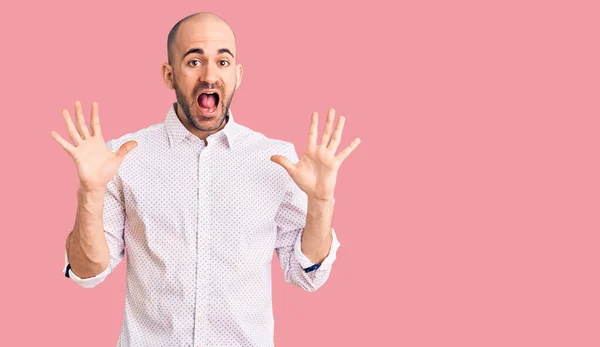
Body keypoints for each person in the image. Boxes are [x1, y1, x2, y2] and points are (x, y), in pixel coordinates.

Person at [50, 12, 360, 347]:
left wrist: (322, 202)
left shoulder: (276, 160)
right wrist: (91, 192)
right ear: (169, 75)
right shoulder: (123, 159)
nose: (210, 75)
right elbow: (86, 272)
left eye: (223, 62)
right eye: (194, 61)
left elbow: (307, 274)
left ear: (238, 75)